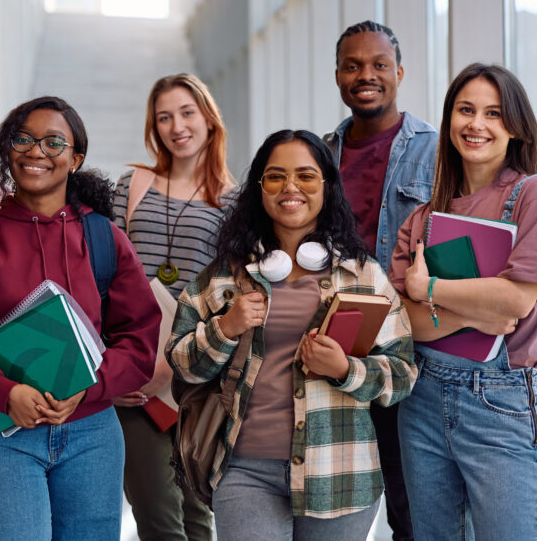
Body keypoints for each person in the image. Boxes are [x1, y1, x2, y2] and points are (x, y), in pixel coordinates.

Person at [0, 96, 160, 540]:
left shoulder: (104, 237)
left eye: (54, 142)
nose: (36, 151)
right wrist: (3, 391)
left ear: (76, 158)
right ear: (8, 150)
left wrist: (90, 387)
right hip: (3, 437)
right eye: (24, 139)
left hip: (91, 433)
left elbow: (140, 338)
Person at [167, 129, 416, 540]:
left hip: (340, 473)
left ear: (327, 186)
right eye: (276, 176)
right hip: (245, 469)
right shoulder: (228, 275)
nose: (291, 188)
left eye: (306, 175)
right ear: (260, 188)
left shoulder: (362, 275)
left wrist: (345, 370)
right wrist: (225, 328)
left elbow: (403, 373)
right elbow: (182, 364)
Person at [389, 63, 537, 541]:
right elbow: (402, 323)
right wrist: (478, 308)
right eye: (465, 110)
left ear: (515, 127)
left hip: (501, 402)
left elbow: (515, 303)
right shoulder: (423, 217)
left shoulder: (534, 196)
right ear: (448, 121)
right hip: (422, 399)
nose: (476, 125)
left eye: (493, 113)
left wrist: (431, 292)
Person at [323, 20, 437, 540]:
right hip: (332, 351)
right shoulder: (318, 156)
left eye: (378, 65)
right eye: (353, 65)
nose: (365, 75)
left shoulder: (436, 154)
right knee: (329, 507)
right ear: (338, 75)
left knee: (410, 509)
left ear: (399, 73)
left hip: (409, 355)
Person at [111, 73, 235, 540]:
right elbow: (103, 272)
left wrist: (188, 363)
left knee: (197, 513)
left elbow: (231, 294)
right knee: (157, 515)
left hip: (194, 373)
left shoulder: (233, 201)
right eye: (164, 117)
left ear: (207, 117)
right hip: (135, 367)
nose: (176, 126)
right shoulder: (134, 184)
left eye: (186, 112)